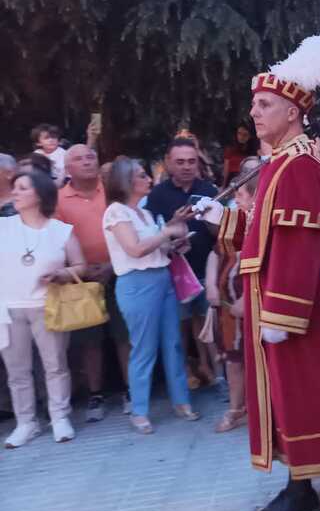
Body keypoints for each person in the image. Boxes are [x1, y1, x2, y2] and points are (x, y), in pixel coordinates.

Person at [195, 25, 320, 511]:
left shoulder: (297, 166)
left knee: (295, 394)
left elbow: (301, 241)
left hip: (290, 306)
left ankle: (300, 488)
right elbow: (263, 233)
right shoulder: (282, 164)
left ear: (293, 112)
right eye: (255, 105)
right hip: (280, 297)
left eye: (264, 105)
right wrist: (222, 218)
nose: (254, 112)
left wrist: (282, 313)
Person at [103, 158, 199, 433]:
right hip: (136, 283)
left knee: (173, 343)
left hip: (162, 277)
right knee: (144, 348)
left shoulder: (144, 213)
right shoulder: (115, 212)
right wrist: (167, 231)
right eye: (142, 175)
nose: (149, 179)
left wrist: (176, 242)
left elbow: (156, 247)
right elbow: (134, 250)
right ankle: (140, 410)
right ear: (126, 182)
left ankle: (181, 401)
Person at [0, 169, 86, 447]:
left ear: (39, 194)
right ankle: (26, 423)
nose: (15, 192)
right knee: (17, 370)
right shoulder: (4, 227)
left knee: (56, 364)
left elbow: (80, 266)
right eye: (16, 188)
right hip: (9, 308)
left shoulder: (60, 231)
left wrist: (61, 275)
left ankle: (60, 417)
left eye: (23, 188)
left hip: (49, 306)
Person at [54, 144, 131, 421]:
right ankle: (96, 394)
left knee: (124, 334)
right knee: (90, 340)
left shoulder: (112, 190)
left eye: (91, 156)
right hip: (81, 280)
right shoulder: (59, 199)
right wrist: (80, 270)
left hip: (119, 270)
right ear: (67, 168)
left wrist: (112, 266)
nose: (87, 161)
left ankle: (130, 390)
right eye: (79, 158)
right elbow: (56, 240)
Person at [145, 137, 220, 389]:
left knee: (212, 330)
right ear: (168, 163)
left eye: (191, 161)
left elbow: (221, 234)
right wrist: (172, 226)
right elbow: (149, 236)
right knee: (179, 330)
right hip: (173, 274)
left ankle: (219, 377)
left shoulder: (210, 191)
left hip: (208, 272)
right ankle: (183, 380)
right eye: (180, 162)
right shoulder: (156, 195)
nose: (187, 166)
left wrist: (211, 219)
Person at [205, 157, 260, 432]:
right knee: (234, 360)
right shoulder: (236, 222)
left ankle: (264, 412)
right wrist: (211, 285)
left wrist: (248, 298)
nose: (235, 200)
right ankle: (236, 408)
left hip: (254, 306)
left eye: (239, 195)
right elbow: (217, 253)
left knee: (259, 360)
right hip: (230, 307)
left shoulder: (263, 225)